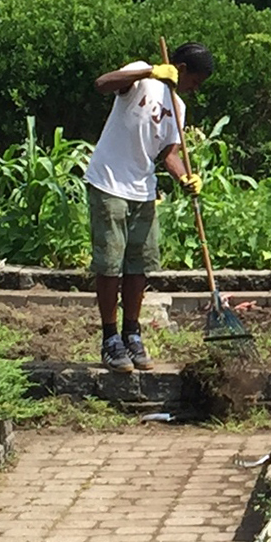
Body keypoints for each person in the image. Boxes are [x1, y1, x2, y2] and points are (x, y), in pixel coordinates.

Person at [84, 43, 214, 372]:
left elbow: (169, 154)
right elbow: (103, 84)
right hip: (109, 181)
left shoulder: (178, 106)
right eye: (194, 81)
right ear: (181, 69)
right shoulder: (142, 77)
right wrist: (151, 70)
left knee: (138, 265)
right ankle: (110, 339)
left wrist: (186, 178)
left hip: (143, 189)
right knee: (110, 264)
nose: (194, 89)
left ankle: (132, 332)